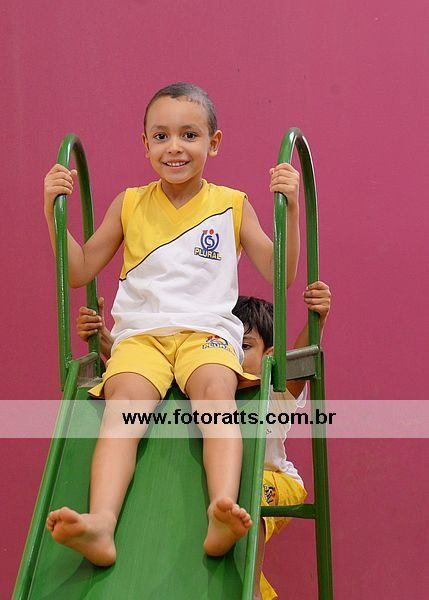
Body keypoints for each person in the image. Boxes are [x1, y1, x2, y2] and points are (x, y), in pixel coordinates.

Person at [43, 82, 301, 567]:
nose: (174, 147)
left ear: (213, 143)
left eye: (189, 135)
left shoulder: (232, 204)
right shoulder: (129, 203)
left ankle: (221, 510)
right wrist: (53, 213)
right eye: (161, 136)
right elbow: (79, 270)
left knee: (215, 393)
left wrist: (290, 209)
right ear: (145, 144)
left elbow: (280, 274)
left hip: (206, 334)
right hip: (142, 336)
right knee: (124, 405)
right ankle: (101, 524)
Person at [77, 281, 331, 599]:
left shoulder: (273, 390)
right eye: (226, 345)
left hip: (276, 478)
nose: (233, 354)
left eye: (244, 346)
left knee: (250, 493)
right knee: (220, 502)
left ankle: (251, 592)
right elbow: (150, 369)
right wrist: (104, 340)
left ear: (269, 355)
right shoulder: (206, 386)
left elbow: (298, 369)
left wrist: (317, 318)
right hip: (236, 486)